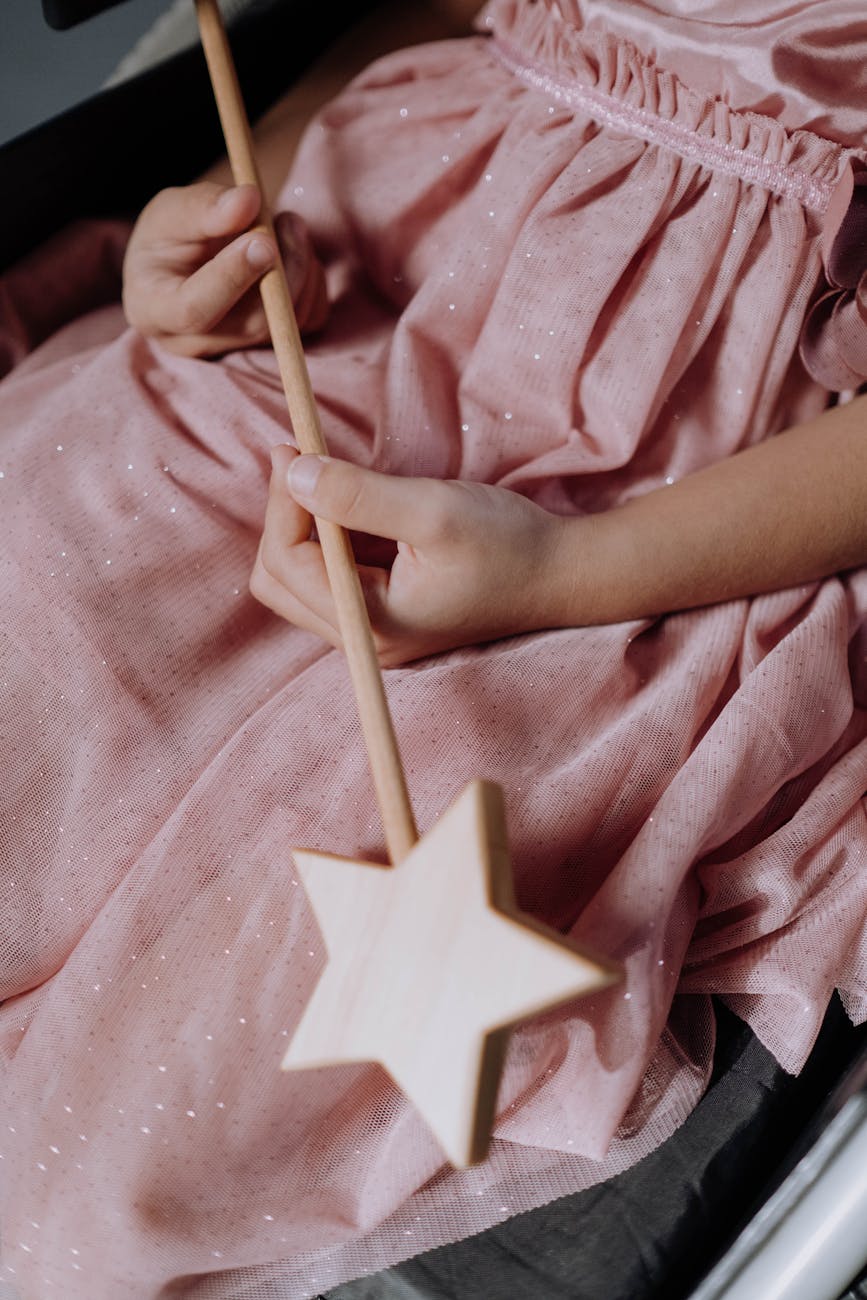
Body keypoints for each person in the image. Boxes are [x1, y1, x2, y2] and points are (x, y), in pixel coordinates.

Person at [1, 0, 866, 1295]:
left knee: (246, 1003)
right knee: (54, 579)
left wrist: (559, 577)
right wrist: (237, 220)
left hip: (650, 512)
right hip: (351, 312)